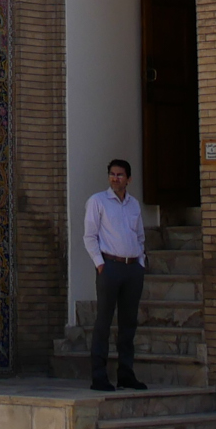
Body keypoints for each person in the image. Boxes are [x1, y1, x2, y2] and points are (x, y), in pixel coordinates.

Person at [83, 157, 147, 393]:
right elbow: (90, 236)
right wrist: (100, 265)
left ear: (128, 179)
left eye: (120, 175)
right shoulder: (98, 202)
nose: (115, 178)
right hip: (109, 266)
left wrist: (140, 261)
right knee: (104, 321)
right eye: (112, 174)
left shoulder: (134, 205)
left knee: (128, 323)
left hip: (132, 268)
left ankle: (126, 374)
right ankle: (99, 376)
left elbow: (140, 236)